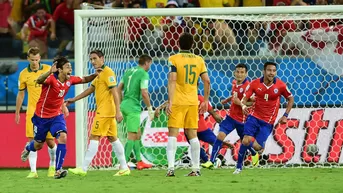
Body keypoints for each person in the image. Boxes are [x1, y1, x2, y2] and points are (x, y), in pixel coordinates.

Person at [20, 56, 100, 179]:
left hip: (56, 116)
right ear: (60, 70)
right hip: (42, 117)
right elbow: (39, 81)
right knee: (38, 145)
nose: (70, 69)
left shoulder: (70, 80)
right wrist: (49, 72)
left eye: (70, 67)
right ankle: (28, 147)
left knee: (63, 137)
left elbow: (85, 79)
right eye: (68, 67)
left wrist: (96, 74)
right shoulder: (51, 79)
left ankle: (58, 170)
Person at [67, 50, 130, 176]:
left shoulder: (108, 72)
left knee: (94, 137)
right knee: (112, 138)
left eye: (95, 58)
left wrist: (118, 111)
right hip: (107, 111)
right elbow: (90, 89)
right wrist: (74, 99)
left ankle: (83, 168)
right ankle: (124, 167)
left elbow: (115, 92)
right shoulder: (99, 74)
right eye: (91, 59)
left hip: (105, 112)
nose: (92, 61)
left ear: (102, 58)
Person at [233, 62, 294, 174]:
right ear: (264, 71)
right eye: (269, 70)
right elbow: (245, 99)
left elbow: (291, 98)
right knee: (245, 140)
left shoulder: (280, 85)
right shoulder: (254, 83)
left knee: (258, 147)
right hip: (254, 116)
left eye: (274, 71)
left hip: (267, 122)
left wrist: (285, 116)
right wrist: (244, 106)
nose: (272, 73)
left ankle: (254, 152)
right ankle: (238, 167)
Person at [166, 32, 211, 177]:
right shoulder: (199, 59)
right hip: (193, 101)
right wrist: (204, 100)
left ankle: (171, 168)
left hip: (178, 101)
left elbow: (172, 80)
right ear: (192, 45)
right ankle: (196, 169)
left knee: (173, 133)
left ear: (178, 43)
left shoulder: (173, 59)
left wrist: (170, 101)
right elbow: (207, 81)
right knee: (192, 134)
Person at [202, 63, 258, 169]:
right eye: (237, 72)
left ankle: (254, 153)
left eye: (242, 72)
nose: (239, 74)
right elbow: (234, 95)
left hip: (242, 119)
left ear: (246, 74)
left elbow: (252, 102)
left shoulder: (248, 87)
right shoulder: (234, 83)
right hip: (230, 117)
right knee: (220, 136)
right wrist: (228, 100)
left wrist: (240, 103)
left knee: (244, 141)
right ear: (234, 73)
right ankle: (211, 161)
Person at [15, 47, 59, 178]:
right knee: (32, 140)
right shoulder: (23, 74)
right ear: (28, 59)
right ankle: (33, 171)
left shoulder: (48, 70)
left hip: (49, 111)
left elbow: (57, 88)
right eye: (32, 59)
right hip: (32, 112)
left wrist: (61, 105)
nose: (34, 62)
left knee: (50, 142)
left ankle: (52, 166)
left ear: (40, 58)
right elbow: (21, 94)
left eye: (36, 59)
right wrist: (17, 111)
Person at [155, 94, 232, 164]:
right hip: (192, 129)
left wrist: (223, 126)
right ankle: (209, 161)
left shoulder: (199, 98)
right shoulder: (183, 97)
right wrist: (159, 108)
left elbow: (213, 113)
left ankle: (215, 158)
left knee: (205, 144)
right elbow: (171, 101)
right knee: (198, 147)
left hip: (200, 129)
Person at [117, 54, 154, 170]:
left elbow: (118, 88)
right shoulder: (144, 74)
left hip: (125, 105)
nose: (150, 67)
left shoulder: (129, 71)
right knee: (132, 136)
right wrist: (149, 108)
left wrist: (122, 103)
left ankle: (139, 162)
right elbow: (144, 92)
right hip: (133, 107)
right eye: (150, 64)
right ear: (147, 63)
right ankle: (124, 164)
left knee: (137, 133)